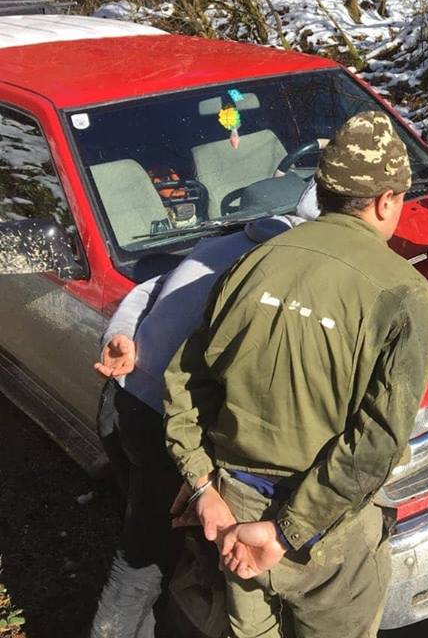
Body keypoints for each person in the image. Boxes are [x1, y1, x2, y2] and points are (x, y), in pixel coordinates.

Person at [164, 111, 428, 638]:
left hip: (233, 511)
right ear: (386, 200)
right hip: (326, 530)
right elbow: (376, 442)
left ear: (324, 189)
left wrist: (204, 488)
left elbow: (184, 382)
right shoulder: (404, 295)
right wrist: (286, 531)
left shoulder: (252, 264)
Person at [89, 182, 320, 638]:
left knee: (152, 535)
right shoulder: (281, 266)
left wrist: (121, 337)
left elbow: (148, 290)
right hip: (166, 420)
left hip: (128, 403)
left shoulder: (231, 239)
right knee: (149, 553)